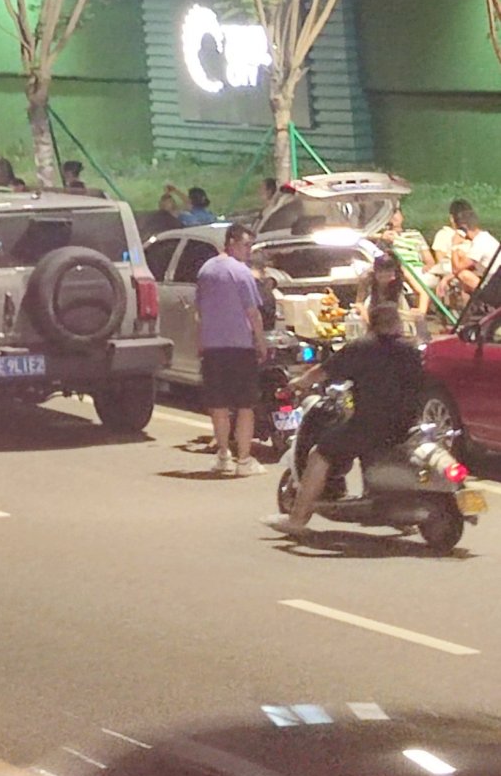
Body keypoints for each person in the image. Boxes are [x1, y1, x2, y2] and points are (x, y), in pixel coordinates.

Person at [272, 296, 428, 536]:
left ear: (370, 324)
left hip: (370, 424)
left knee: (319, 454)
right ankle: (396, 514)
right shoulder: (410, 350)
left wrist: (297, 383)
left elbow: (322, 371)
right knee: (375, 453)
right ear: (397, 323)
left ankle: (297, 519)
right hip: (407, 425)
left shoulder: (361, 348)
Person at [194, 223, 267, 477]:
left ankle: (223, 455)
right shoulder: (241, 272)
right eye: (246, 245)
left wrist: (200, 340)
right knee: (245, 406)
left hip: (212, 347)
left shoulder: (206, 270)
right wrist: (261, 342)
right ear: (232, 242)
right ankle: (243, 460)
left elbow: (199, 311)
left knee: (219, 406)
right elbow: (253, 313)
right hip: (239, 347)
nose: (249, 251)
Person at [431, 200, 498, 310]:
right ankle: (469, 310)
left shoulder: (479, 243)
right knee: (464, 271)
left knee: (463, 275)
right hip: (494, 281)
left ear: (463, 229)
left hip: (496, 288)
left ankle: (474, 308)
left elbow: (457, 269)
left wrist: (454, 246)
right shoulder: (484, 238)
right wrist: (447, 278)